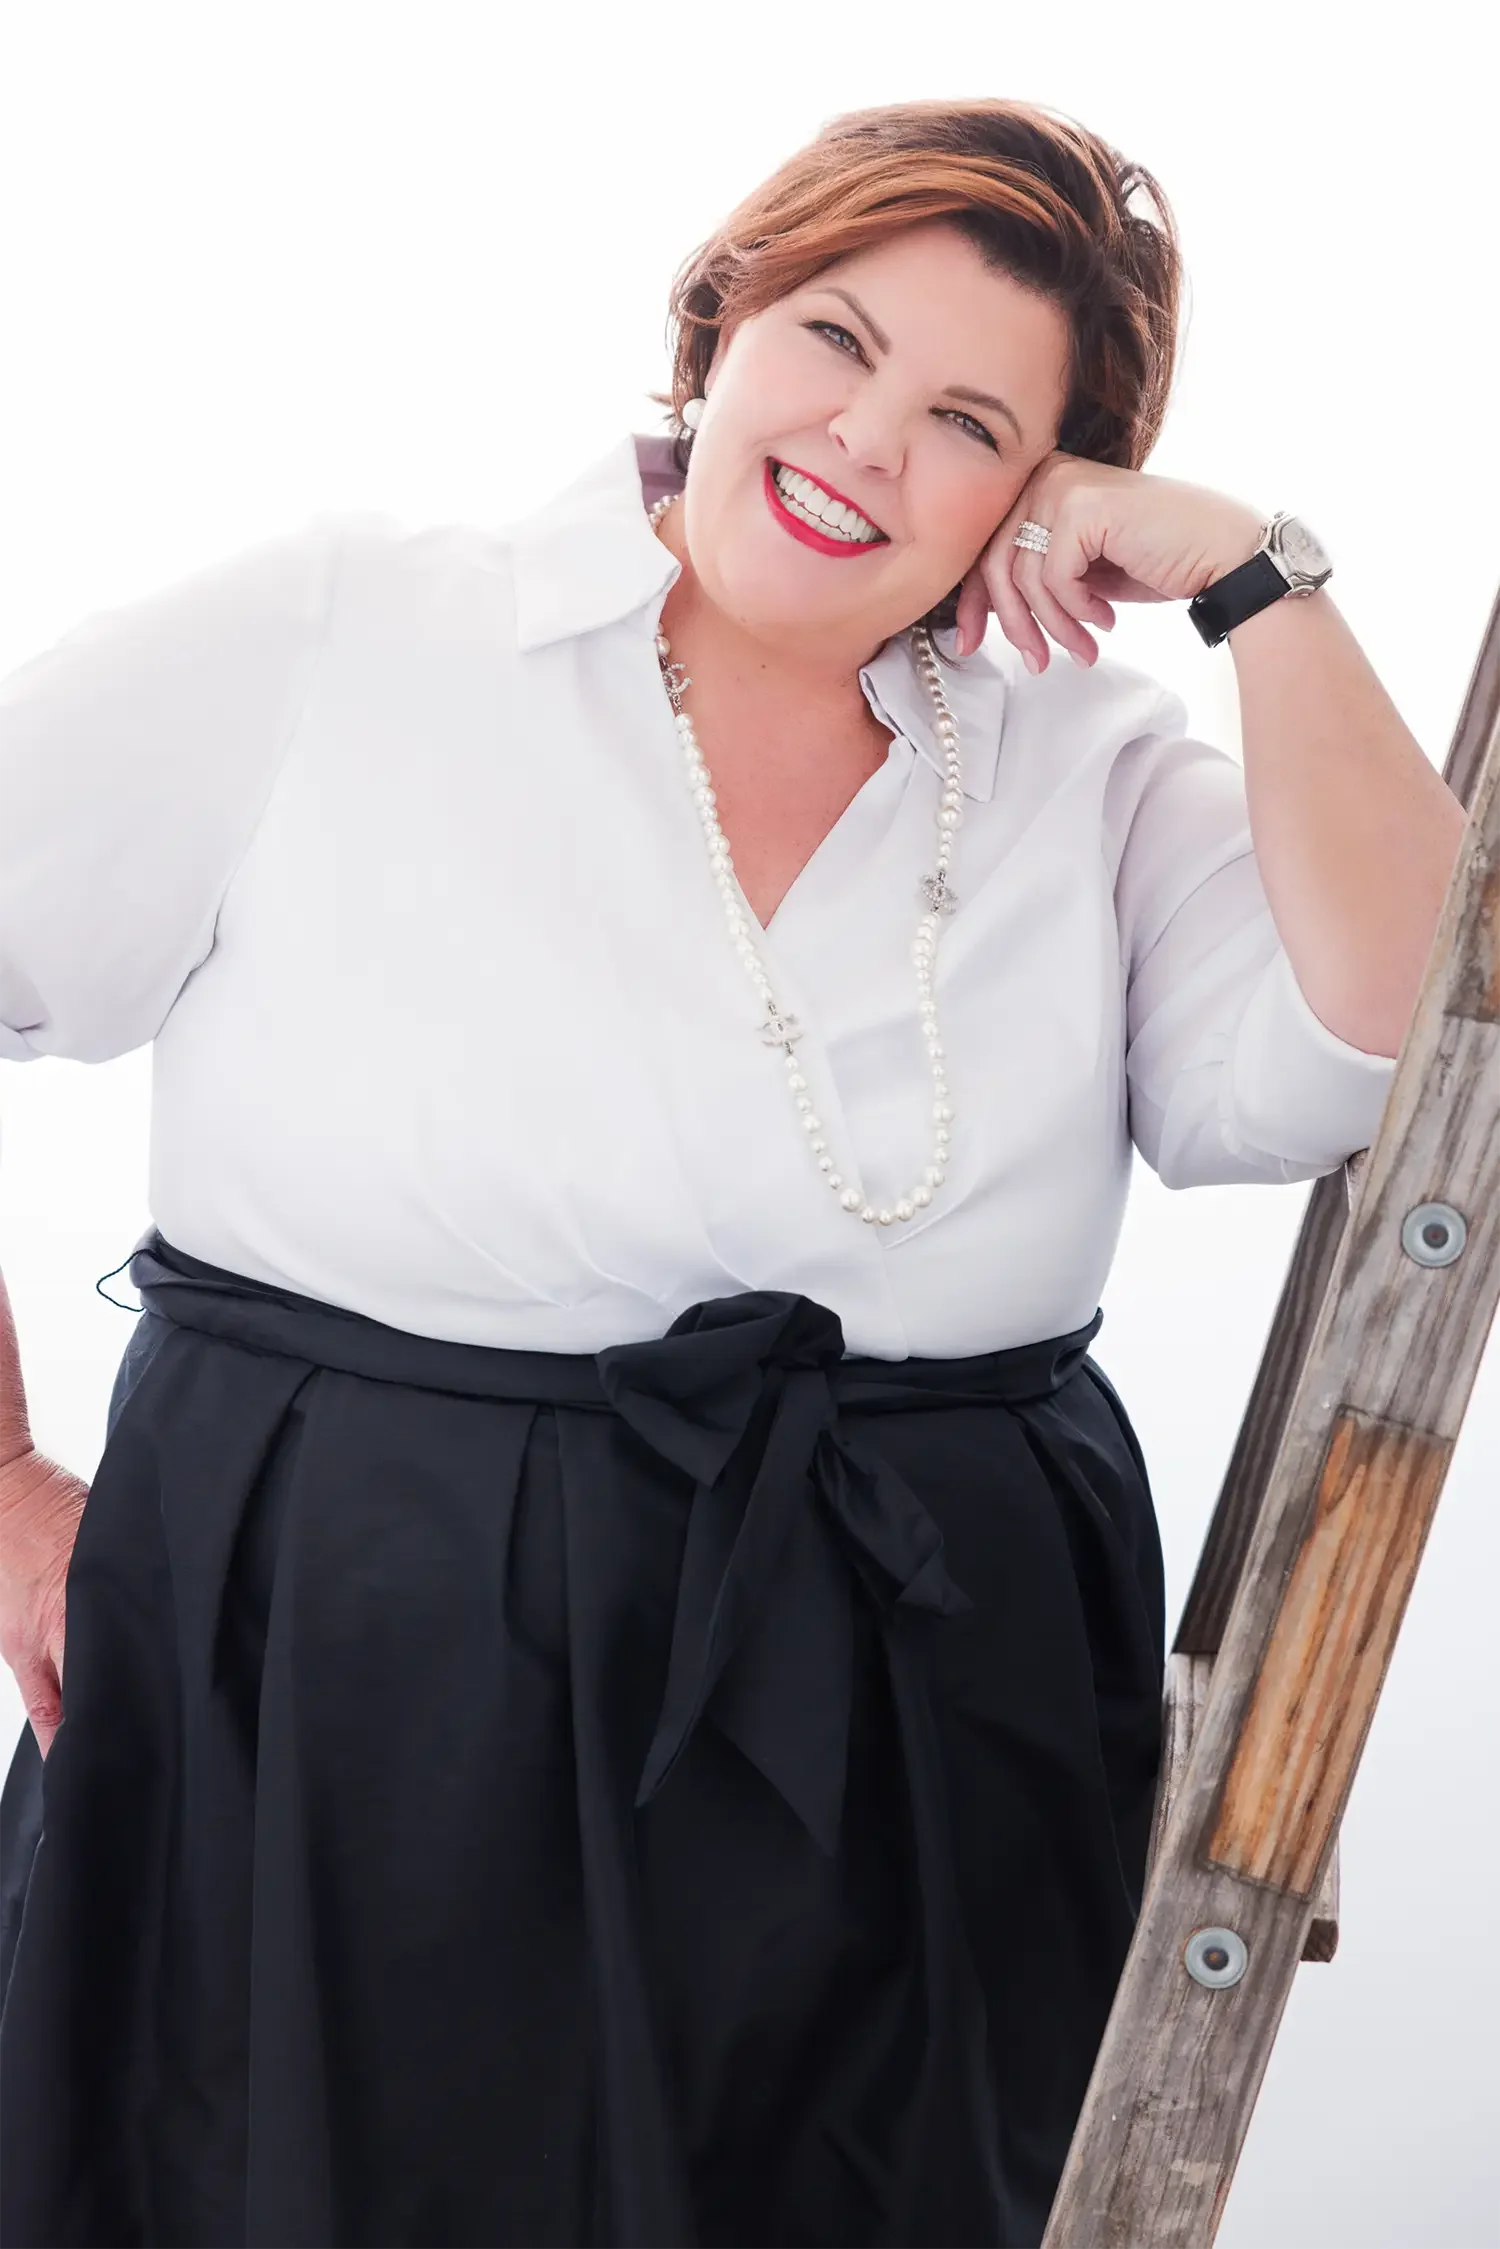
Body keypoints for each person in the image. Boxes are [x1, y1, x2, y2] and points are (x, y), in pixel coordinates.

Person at [0, 94, 1407, 2249]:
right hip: (346, 1682)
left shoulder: (1085, 769)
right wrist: (6, 1486)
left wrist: (1251, 574)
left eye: (968, 419)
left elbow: (1398, 1038)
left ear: (1047, 494)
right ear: (717, 318)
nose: (863, 441)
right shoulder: (348, 630)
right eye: (834, 338)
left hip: (920, 1722)